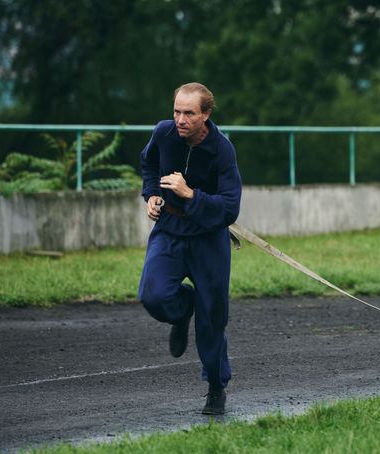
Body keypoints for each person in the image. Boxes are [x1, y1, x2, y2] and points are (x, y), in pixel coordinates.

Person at [138, 82, 242, 415]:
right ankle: (183, 312)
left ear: (206, 115)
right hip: (169, 230)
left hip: (209, 237)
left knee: (213, 318)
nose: (180, 119)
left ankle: (215, 386)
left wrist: (190, 194)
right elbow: (149, 166)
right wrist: (152, 196)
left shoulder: (222, 150)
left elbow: (230, 208)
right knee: (152, 295)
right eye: (176, 111)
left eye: (189, 113)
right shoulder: (163, 133)